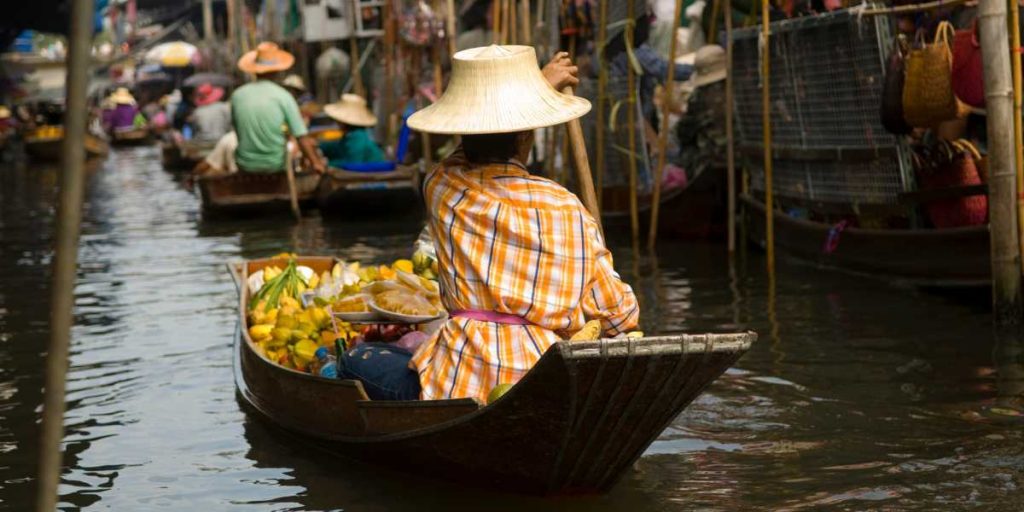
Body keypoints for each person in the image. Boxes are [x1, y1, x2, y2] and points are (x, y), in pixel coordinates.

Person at [337, 46, 639, 402]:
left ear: (464, 134)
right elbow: (621, 315)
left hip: (457, 382)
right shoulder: (568, 206)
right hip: (544, 379)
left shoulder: (444, 188)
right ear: (526, 137)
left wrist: (539, 85)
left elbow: (455, 161)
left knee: (355, 359)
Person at [230, 42, 325, 174]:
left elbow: (237, 130)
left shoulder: (237, 95)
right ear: (277, 70)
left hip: (245, 164)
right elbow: (301, 136)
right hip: (276, 166)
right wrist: (316, 163)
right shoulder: (283, 96)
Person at [675, 44, 727, 182]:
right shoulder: (740, 90)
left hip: (712, 163)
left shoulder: (700, 98)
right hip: (742, 159)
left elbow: (683, 132)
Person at [319, 94, 387, 168]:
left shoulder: (358, 137)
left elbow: (352, 163)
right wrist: (319, 146)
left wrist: (327, 163)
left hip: (371, 175)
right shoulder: (350, 135)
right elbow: (337, 147)